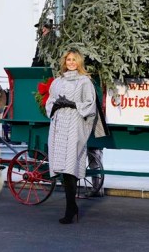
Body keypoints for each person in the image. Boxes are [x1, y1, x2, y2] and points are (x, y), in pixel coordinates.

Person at [45, 49, 106, 224]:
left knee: (70, 165)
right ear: (64, 61)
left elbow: (89, 104)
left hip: (74, 124)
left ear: (79, 62)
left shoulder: (84, 81)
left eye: (74, 60)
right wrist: (56, 104)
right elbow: (49, 101)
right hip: (58, 125)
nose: (71, 62)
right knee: (63, 168)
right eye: (68, 59)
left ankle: (70, 208)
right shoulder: (57, 81)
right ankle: (71, 207)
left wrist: (71, 103)